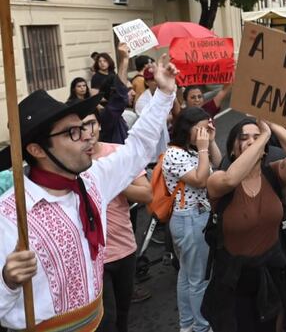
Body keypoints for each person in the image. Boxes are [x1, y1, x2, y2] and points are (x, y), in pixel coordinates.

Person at [0, 55, 177, 331]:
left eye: (83, 127)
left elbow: (137, 148)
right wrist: (8, 282)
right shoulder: (10, 216)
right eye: (72, 132)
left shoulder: (92, 179)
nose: (87, 136)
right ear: (36, 150)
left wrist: (165, 93)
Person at [202, 118, 286, 331]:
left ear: (264, 151)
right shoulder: (219, 180)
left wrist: (272, 124)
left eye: (256, 137)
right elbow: (232, 179)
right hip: (235, 278)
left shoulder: (273, 173)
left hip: (272, 269)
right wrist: (263, 137)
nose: (252, 141)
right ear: (232, 151)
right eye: (244, 138)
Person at [87, 114, 153, 332]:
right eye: (81, 127)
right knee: (106, 320)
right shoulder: (69, 162)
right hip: (92, 257)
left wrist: (114, 178)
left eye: (92, 123)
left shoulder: (118, 153)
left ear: (99, 125)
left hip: (124, 248)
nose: (88, 131)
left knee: (123, 314)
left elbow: (146, 194)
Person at [163, 107, 223, 332]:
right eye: (200, 130)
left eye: (206, 130)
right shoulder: (175, 153)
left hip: (194, 216)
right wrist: (203, 148)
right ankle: (202, 326)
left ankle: (187, 324)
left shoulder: (194, 150)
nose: (203, 135)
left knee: (187, 275)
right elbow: (200, 180)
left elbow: (217, 163)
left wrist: (211, 143)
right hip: (189, 218)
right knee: (199, 278)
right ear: (186, 129)